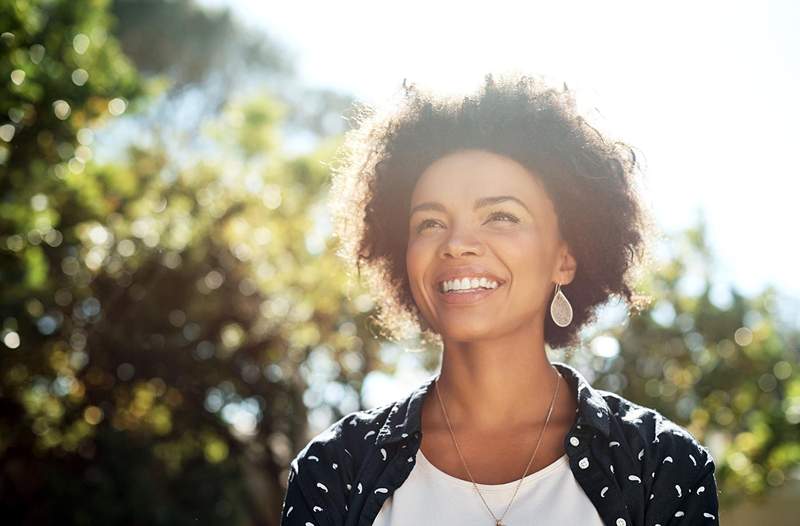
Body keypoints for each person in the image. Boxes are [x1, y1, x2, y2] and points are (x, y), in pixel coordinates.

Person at [280, 73, 720, 525]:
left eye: (501, 216)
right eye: (429, 223)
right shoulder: (335, 467)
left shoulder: (661, 463)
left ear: (565, 259)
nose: (456, 243)